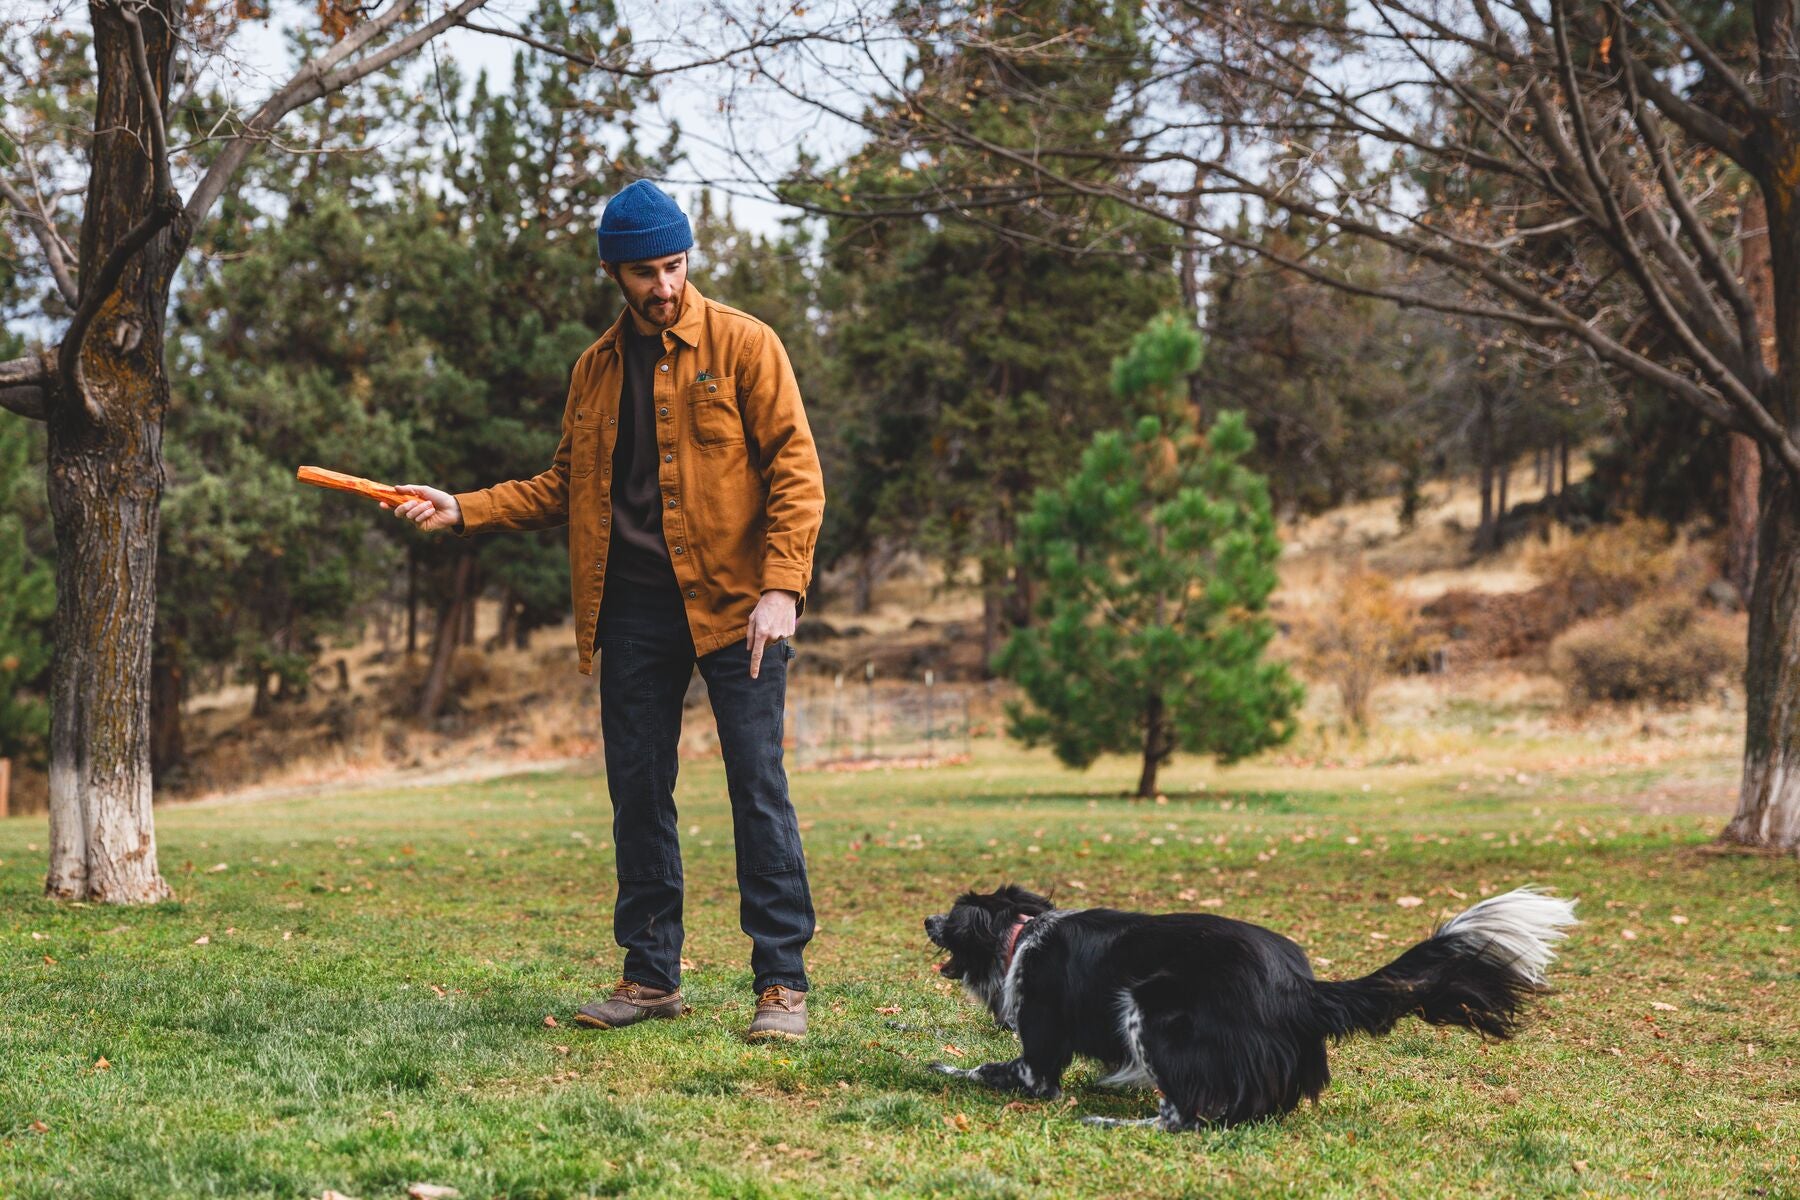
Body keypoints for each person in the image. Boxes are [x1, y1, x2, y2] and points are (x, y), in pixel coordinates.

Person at [386, 180, 824, 1041]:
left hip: (740, 609)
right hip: (629, 611)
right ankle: (652, 976)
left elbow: (796, 470)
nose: (664, 285)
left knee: (758, 788)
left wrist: (782, 587)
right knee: (637, 795)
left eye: (674, 264)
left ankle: (781, 985)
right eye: (644, 271)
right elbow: (563, 485)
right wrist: (464, 506)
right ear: (612, 274)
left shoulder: (744, 346)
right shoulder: (593, 371)